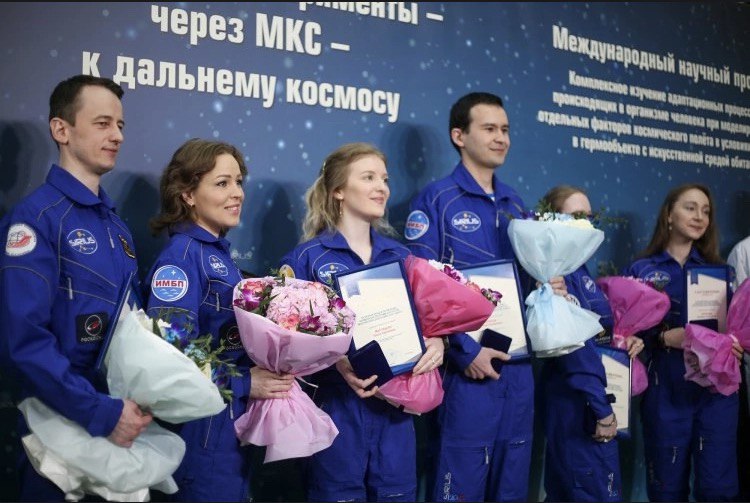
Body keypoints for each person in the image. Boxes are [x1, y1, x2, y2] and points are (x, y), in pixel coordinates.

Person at [404, 91, 566, 502]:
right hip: (467, 371)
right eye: (490, 129)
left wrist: (549, 288)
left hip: (518, 366)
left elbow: (528, 280)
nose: (501, 138)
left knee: (511, 485)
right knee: (460, 485)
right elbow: (421, 288)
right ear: (459, 136)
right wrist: (464, 352)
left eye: (505, 130)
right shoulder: (436, 200)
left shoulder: (516, 203)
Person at [0, 75, 152, 501]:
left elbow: (137, 331)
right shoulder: (35, 219)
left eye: (120, 125)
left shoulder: (117, 228)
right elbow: (23, 341)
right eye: (103, 123)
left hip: (119, 431)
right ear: (61, 130)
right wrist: (99, 411)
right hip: (54, 438)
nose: (117, 135)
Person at [278, 142, 444, 502]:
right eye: (368, 177)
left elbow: (427, 323)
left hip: (396, 416)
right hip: (337, 413)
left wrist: (437, 343)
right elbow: (283, 349)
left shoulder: (402, 257)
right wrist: (336, 359)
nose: (381, 187)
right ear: (338, 190)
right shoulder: (305, 259)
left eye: (384, 179)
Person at [144, 138, 295, 501]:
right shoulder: (181, 258)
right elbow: (171, 348)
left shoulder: (220, 259)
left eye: (238, 182)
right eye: (222, 183)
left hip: (228, 430)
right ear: (187, 194)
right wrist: (243, 382)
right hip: (200, 433)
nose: (237, 192)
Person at [623, 183, 743, 502]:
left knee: (718, 489)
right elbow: (625, 333)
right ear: (668, 214)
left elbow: (737, 327)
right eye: (690, 208)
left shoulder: (722, 272)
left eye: (706, 211)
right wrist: (663, 338)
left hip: (715, 392)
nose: (699, 216)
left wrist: (736, 344)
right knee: (666, 487)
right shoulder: (641, 270)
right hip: (666, 388)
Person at [539, 185, 645, 502]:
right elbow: (573, 349)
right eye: (575, 216)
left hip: (590, 400)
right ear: (551, 220)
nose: (585, 224)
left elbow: (596, 335)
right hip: (577, 407)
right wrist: (602, 410)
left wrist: (623, 342)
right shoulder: (556, 274)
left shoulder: (580, 271)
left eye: (589, 217)